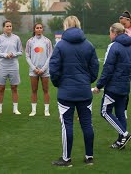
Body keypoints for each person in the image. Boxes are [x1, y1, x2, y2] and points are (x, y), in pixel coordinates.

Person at [50, 16, 99, 167]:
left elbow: (54, 69)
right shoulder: (88, 45)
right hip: (84, 91)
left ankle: (66, 159)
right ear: (78, 25)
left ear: (65, 26)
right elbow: (95, 68)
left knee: (67, 125)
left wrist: (59, 83)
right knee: (87, 124)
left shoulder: (60, 45)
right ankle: (89, 157)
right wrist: (86, 81)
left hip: (66, 92)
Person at [93, 23, 131, 149]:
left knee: (105, 112)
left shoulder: (114, 46)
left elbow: (108, 68)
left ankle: (124, 134)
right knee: (120, 113)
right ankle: (121, 141)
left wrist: (99, 85)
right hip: (125, 86)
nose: (109, 35)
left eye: (110, 32)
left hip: (113, 87)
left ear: (115, 33)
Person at [0, 20, 23, 115]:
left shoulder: (16, 38)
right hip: (2, 67)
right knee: (1, 88)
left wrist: (13, 54)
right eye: (7, 26)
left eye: (10, 26)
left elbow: (21, 51)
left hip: (14, 66)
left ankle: (15, 109)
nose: (9, 28)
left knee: (14, 87)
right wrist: (5, 55)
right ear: (3, 28)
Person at [25, 23, 52, 117]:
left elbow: (50, 56)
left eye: (41, 28)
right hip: (34, 70)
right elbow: (27, 56)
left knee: (45, 90)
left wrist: (43, 68)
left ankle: (46, 110)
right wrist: (34, 68)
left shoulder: (47, 41)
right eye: (37, 28)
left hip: (45, 70)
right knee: (34, 90)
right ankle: (33, 110)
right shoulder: (30, 41)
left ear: (42, 29)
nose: (39, 29)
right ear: (34, 29)